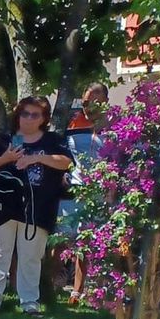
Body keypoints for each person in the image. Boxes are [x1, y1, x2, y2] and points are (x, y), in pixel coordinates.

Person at [0, 96, 73, 316]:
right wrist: (5, 158)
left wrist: (36, 159)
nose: (28, 119)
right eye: (24, 113)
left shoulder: (52, 140)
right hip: (2, 206)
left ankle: (29, 302)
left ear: (43, 118)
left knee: (31, 257)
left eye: (34, 114)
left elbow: (66, 162)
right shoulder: (5, 139)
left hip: (37, 209)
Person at [63, 83, 109, 304]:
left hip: (103, 189)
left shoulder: (114, 124)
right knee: (70, 238)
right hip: (76, 187)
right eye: (88, 100)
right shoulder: (72, 121)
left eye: (97, 100)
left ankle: (93, 289)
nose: (92, 105)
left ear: (106, 101)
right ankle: (68, 287)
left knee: (96, 241)